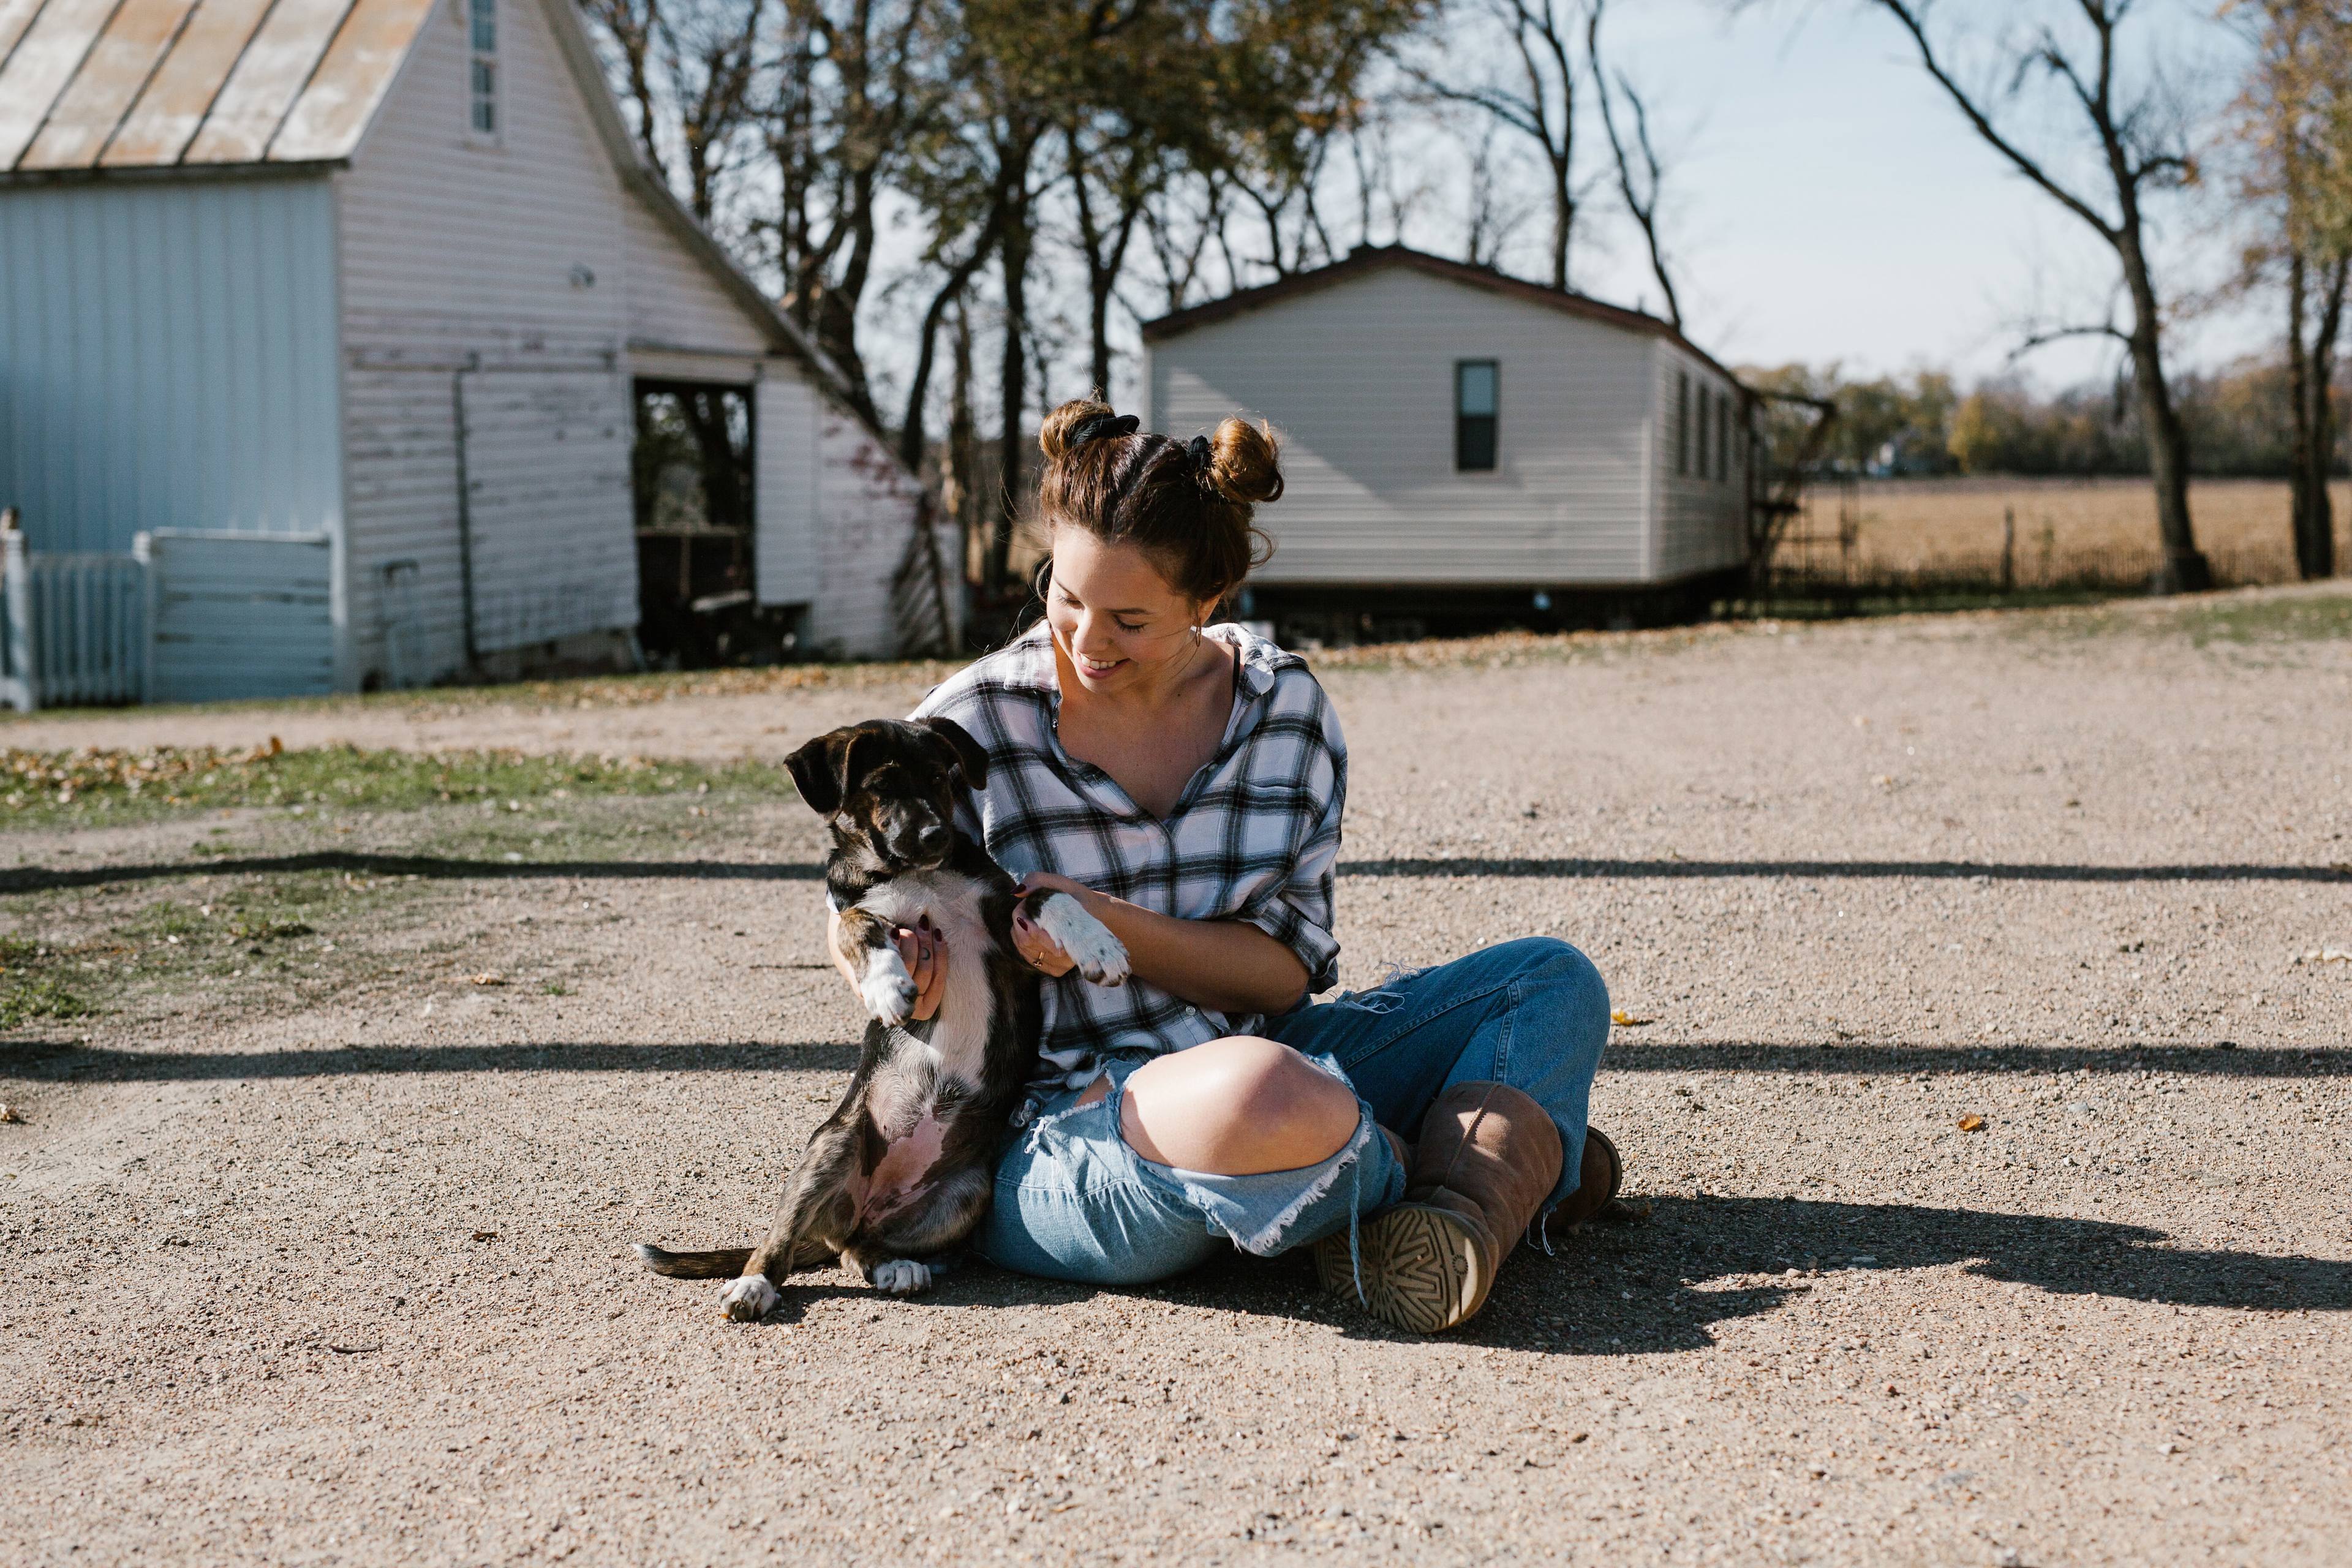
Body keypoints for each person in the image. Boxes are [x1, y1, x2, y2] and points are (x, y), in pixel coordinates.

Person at [827, 398, 1618, 1333]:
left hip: (1279, 1057)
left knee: (1548, 981)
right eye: (1064, 595)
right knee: (1257, 1096)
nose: (1084, 641)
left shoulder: (1283, 710)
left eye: (1128, 618)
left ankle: (1436, 1211)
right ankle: (1486, 1168)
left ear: (1206, 602)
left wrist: (1106, 925)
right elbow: (856, 900)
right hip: (1062, 1134)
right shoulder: (969, 722)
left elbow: (1285, 968)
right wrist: (885, 967)